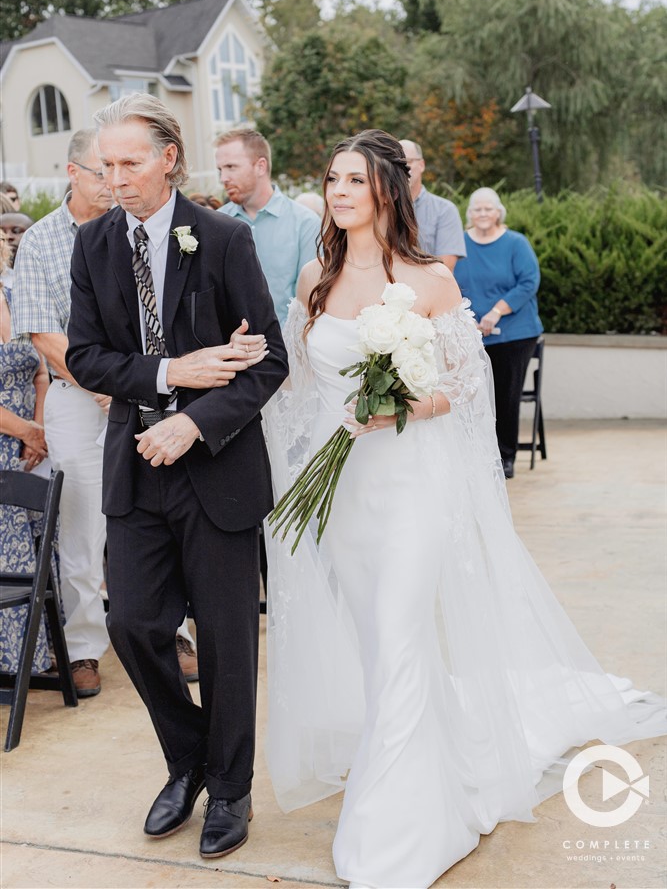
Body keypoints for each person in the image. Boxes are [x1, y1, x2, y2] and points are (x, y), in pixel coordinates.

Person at [263, 130, 666, 889]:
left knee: (403, 632)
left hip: (411, 485)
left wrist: (401, 405)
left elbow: (465, 388)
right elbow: (294, 385)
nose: (337, 191)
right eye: (330, 179)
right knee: (378, 645)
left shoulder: (428, 281)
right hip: (342, 490)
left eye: (353, 179)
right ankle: (426, 765)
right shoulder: (314, 277)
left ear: (387, 190)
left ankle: (401, 829)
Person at [66, 94, 288, 859]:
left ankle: (230, 789)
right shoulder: (91, 244)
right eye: (106, 166)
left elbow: (269, 362)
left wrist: (193, 417)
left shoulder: (223, 239)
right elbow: (86, 357)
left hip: (217, 470)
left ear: (168, 158)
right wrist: (170, 370)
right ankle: (189, 758)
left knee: (226, 641)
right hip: (134, 465)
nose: (116, 179)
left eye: (130, 163)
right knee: (131, 624)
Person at [11, 130, 114, 698]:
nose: (114, 182)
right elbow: (44, 336)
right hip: (76, 398)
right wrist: (104, 388)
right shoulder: (42, 241)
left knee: (157, 512)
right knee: (78, 524)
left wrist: (134, 386)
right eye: (103, 171)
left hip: (146, 392)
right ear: (73, 173)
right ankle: (82, 647)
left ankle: (171, 632)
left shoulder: (133, 226)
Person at [454, 187, 543, 479]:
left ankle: (505, 456)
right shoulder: (460, 246)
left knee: (505, 394)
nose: (482, 214)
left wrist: (496, 312)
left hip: (514, 334)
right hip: (469, 332)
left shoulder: (516, 243)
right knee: (468, 394)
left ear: (498, 212)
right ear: (470, 214)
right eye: (477, 209)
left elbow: (529, 282)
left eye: (488, 209)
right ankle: (476, 453)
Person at [0, 231, 52, 675]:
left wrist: (38, 426)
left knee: (39, 543)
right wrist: (24, 431)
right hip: (13, 435)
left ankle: (36, 653)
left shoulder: (14, 291)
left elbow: (40, 369)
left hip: (30, 440)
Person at [214, 129, 319, 326]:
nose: (223, 178)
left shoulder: (305, 223)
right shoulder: (216, 223)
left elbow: (311, 303)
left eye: (231, 167)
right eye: (220, 170)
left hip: (289, 350)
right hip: (232, 351)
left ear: (260, 166)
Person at [399, 138, 466, 271]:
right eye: (397, 163)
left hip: (428, 290)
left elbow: (445, 268)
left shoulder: (445, 210)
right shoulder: (380, 208)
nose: (402, 168)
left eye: (408, 162)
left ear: (422, 165)